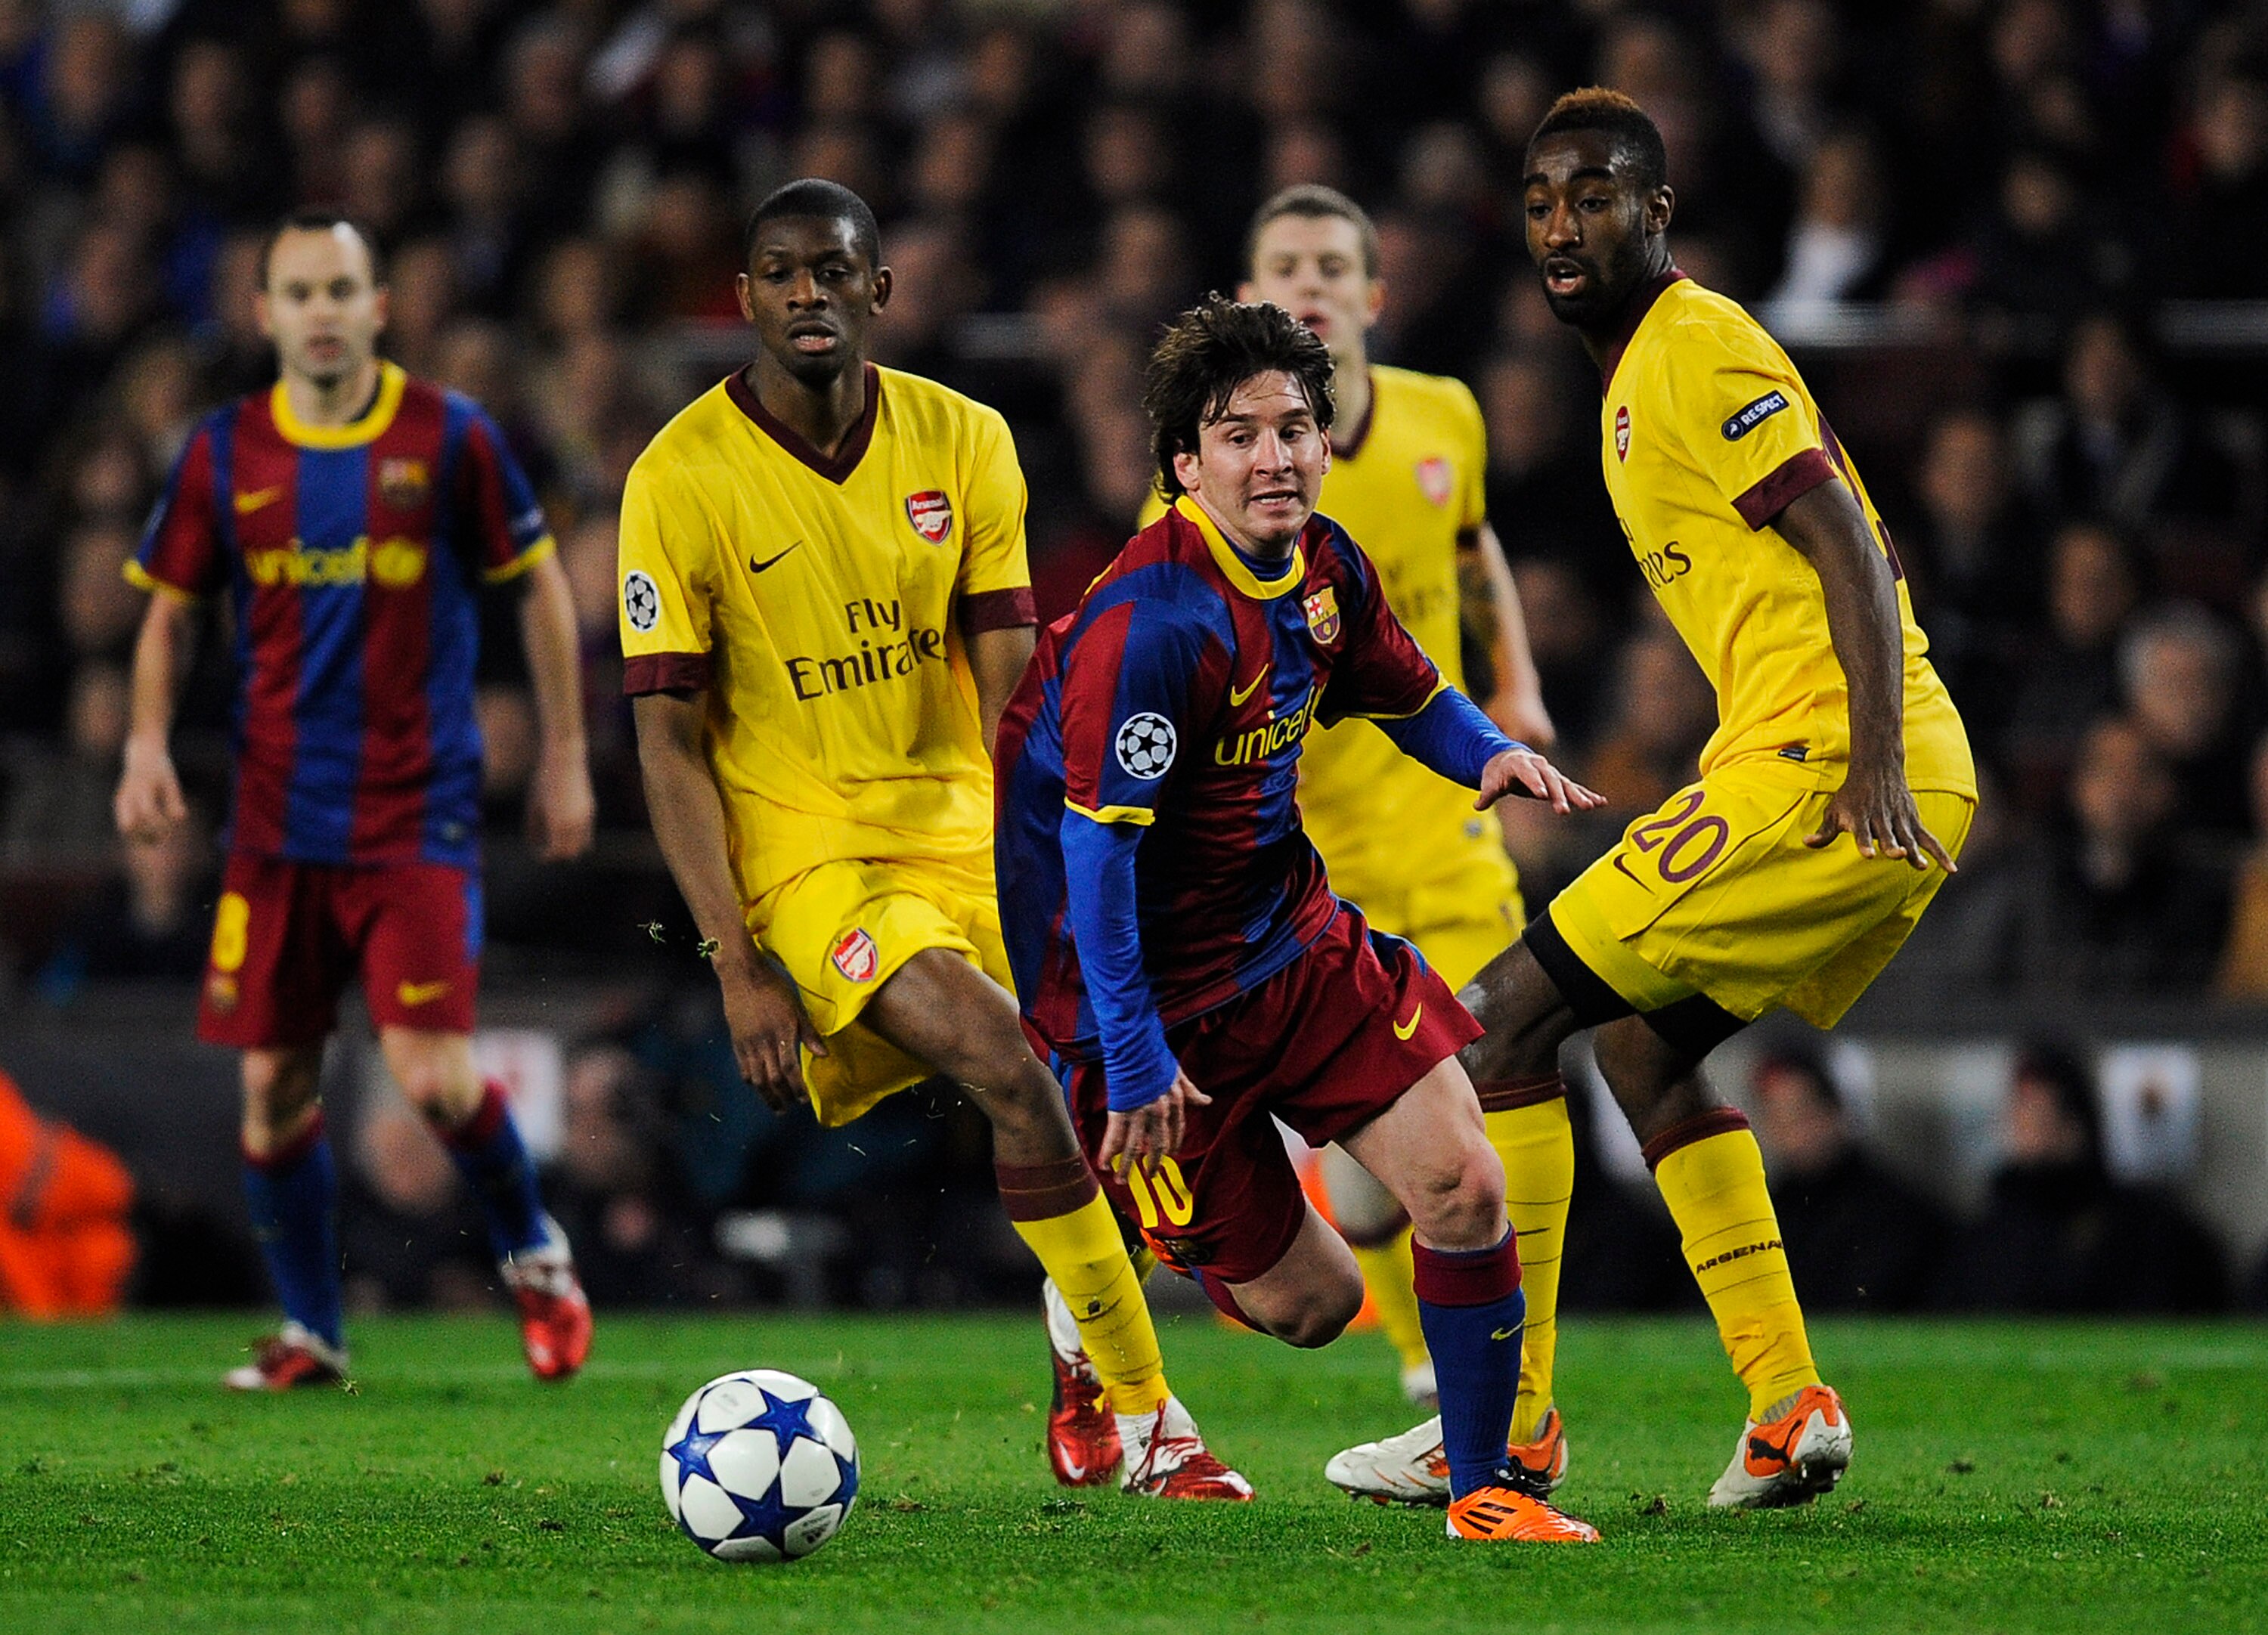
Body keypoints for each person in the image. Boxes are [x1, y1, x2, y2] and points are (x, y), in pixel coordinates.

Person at [1332, 88, 1976, 1510]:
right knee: (1640, 1054)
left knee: (1500, 1017)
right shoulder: (1635, 371)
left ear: (1657, 211)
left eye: (1599, 195)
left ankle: (1502, 1426)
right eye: (1544, 199)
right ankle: (1784, 1403)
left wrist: (1867, 753)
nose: (1564, 224)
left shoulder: (1696, 344)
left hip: (1831, 763)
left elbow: (1848, 544)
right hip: (1814, 759)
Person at [618, 180, 1243, 1502]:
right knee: (1014, 1062)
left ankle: (1082, 1357)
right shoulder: (677, 479)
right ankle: (1156, 1423)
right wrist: (735, 960)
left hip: (968, 832)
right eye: (780, 274)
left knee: (1110, 1067)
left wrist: (1088, 860)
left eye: (834, 273)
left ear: (878, 292)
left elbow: (1019, 685)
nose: (808, 296)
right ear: (742, 298)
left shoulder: (965, 440)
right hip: (811, 863)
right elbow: (666, 738)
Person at [996, 294, 1606, 1543]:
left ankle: (1483, 1487)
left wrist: (1489, 754)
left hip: (1293, 935)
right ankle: (1090, 1296)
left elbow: (1408, 689)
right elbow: (1096, 865)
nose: (1274, 456)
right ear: (1184, 467)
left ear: (1326, 446)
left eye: (1295, 429)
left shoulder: (1324, 565)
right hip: (1136, 993)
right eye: (1238, 435)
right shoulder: (1149, 627)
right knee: (1313, 1307)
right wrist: (1128, 1051)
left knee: (1463, 1184)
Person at [113, 211, 598, 1390]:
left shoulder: (449, 438)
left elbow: (534, 588)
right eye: (299, 292)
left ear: (380, 307)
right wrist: (141, 743)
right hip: (275, 824)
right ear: (265, 311)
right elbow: (171, 610)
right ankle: (313, 1333)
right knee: (273, 1089)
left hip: (412, 814)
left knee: (432, 1074)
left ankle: (536, 1254)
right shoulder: (225, 452)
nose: (321, 312)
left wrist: (567, 753)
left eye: (342, 290)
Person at [1129, 184, 1557, 1415]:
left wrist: (1512, 694)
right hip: (1286, 862)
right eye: (1284, 265)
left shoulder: (1442, 420)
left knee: (1503, 1084)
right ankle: (1424, 1342)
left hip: (1442, 834)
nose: (1309, 281)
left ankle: (1511, 1406)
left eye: (1331, 263)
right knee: (1344, 1229)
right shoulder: (1206, 507)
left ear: (1373, 296)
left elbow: (1473, 556)